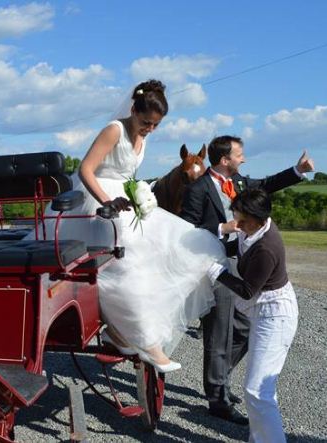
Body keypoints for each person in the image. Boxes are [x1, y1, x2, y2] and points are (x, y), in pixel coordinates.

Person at [44, 80, 227, 373]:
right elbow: (86, 169)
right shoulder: (114, 130)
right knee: (129, 260)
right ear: (133, 109)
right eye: (145, 123)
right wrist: (108, 202)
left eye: (155, 125)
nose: (149, 129)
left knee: (174, 247)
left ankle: (118, 331)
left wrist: (136, 197)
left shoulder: (145, 135)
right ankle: (145, 339)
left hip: (123, 200)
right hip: (96, 202)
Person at [180, 136, 313, 423]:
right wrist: (221, 227)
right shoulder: (198, 188)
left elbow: (264, 186)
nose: (244, 159)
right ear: (224, 159)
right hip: (216, 265)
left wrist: (297, 171)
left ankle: (219, 378)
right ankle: (217, 399)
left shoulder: (238, 181)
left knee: (243, 329)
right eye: (239, 155)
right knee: (218, 333)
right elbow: (186, 231)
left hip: (241, 262)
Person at [206, 189, 298, 442]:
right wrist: (210, 247)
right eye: (237, 218)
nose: (238, 224)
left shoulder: (267, 248)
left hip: (275, 315)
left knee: (258, 390)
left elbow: (247, 291)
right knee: (255, 388)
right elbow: (238, 244)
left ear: (259, 218)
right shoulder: (255, 230)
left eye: (243, 220)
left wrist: (217, 272)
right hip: (262, 310)